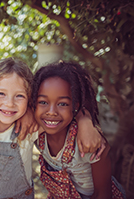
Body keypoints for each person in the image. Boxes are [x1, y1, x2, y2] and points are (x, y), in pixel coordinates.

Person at [0, 58, 105, 199]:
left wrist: (85, 120)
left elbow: (67, 113)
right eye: (1, 94)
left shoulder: (30, 128)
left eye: (19, 96)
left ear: (30, 99)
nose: (9, 103)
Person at [33, 62, 126, 198]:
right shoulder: (37, 135)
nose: (51, 112)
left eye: (63, 104)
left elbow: (103, 193)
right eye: (43, 102)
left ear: (75, 106)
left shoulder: (90, 143)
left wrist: (85, 119)